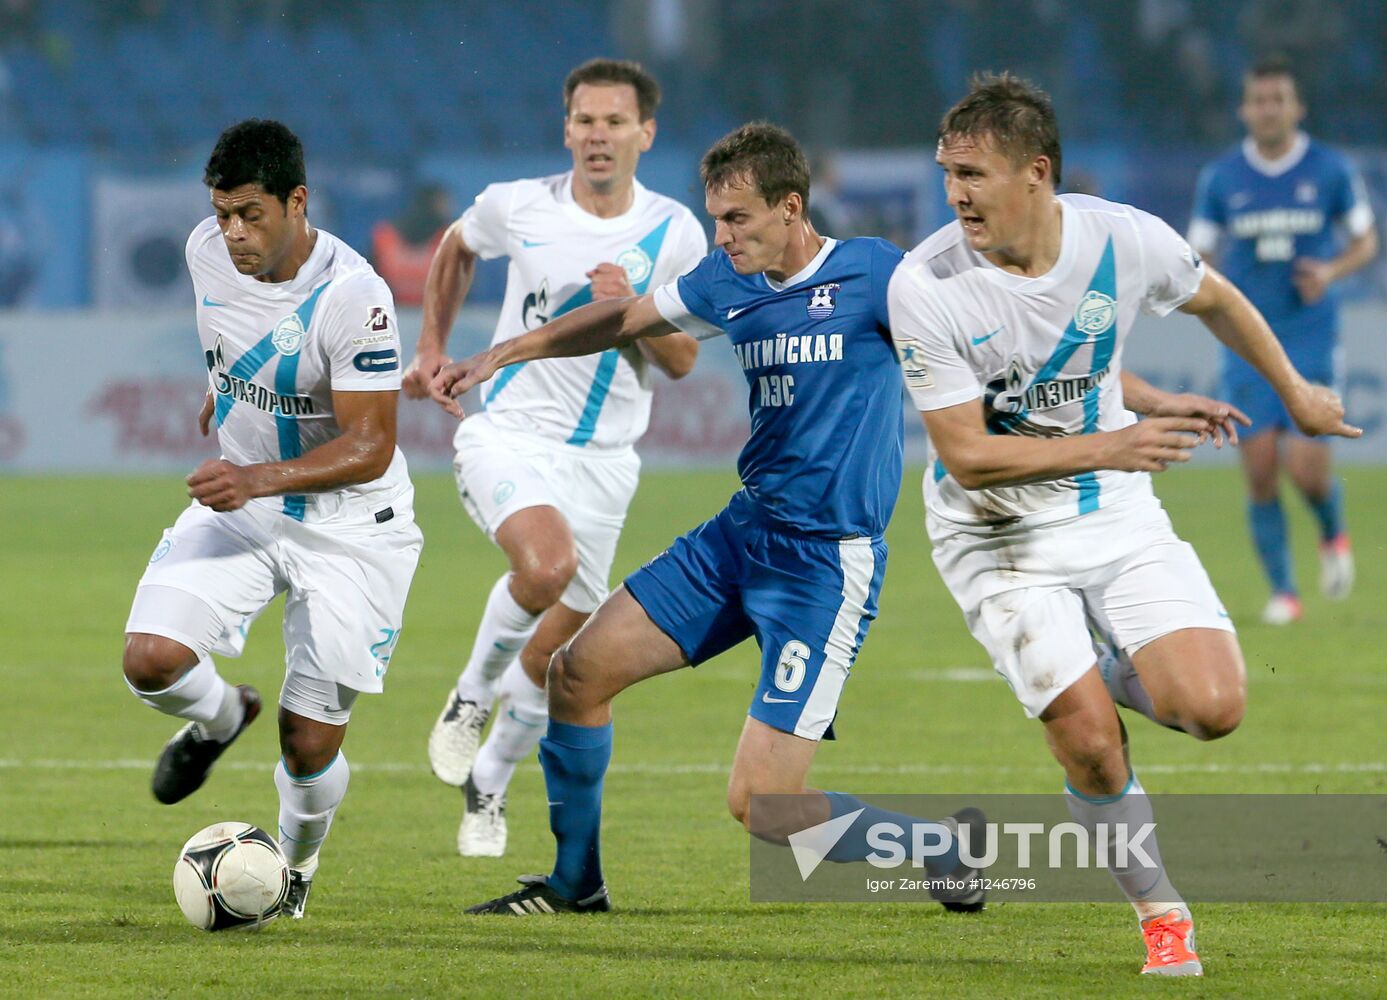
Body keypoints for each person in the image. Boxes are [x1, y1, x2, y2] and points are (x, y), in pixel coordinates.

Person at [430, 121, 986, 917]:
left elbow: (973, 340)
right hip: (740, 537)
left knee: (762, 806)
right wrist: (506, 352)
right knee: (577, 676)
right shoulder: (726, 281)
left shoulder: (876, 275)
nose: (720, 237)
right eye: (715, 219)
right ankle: (574, 884)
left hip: (825, 569)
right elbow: (622, 321)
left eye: (737, 220)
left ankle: (935, 846)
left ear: (791, 207)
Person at [888, 73, 1359, 977]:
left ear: (1037, 173)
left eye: (974, 174)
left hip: (1112, 511)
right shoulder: (930, 283)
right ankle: (1161, 913)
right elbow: (970, 454)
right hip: (997, 537)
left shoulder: (1123, 238)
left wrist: (1295, 394)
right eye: (948, 172)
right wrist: (1117, 439)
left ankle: (1099, 668)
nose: (956, 194)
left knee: (1214, 709)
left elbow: (1215, 296)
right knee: (1093, 746)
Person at [401, 58, 707, 858]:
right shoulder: (519, 207)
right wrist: (430, 346)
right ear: (565, 127)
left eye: (614, 121)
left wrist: (633, 307)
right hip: (511, 435)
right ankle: (469, 698)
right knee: (543, 568)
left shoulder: (676, 232)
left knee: (555, 661)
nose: (597, 135)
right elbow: (456, 247)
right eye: (584, 120)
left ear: (646, 133)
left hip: (607, 465)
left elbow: (682, 362)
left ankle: (489, 786)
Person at [121, 119, 422, 920]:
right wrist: (223, 389)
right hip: (247, 510)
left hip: (351, 526)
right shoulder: (204, 252)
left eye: (251, 214)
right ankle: (220, 718)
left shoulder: (354, 296)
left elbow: (372, 443)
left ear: (297, 201)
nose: (233, 233)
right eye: (221, 212)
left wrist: (252, 472)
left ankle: (293, 868)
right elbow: (233, 339)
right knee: (150, 660)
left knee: (310, 742)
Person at [1188, 55, 1377, 625]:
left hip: (1309, 335)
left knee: (1307, 468)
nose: (1268, 109)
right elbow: (1198, 254)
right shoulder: (1221, 178)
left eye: (1278, 99)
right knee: (1262, 466)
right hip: (1246, 340)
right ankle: (1284, 592)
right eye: (1258, 100)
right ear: (1245, 109)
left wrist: (1331, 272)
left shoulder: (1330, 170)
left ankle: (1332, 531)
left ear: (1296, 107)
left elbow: (1365, 241)